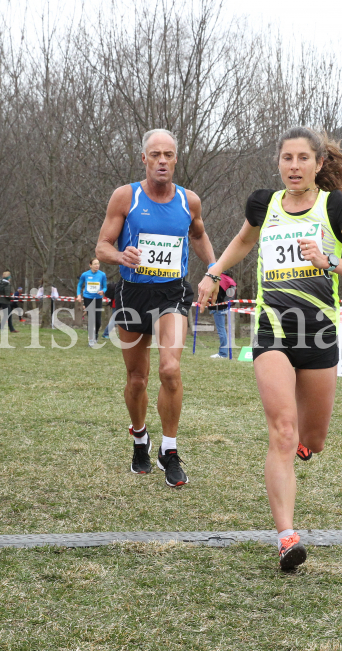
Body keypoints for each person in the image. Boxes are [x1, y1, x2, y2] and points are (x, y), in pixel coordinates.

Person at [197, 127, 342, 570]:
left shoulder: (334, 207)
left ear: (318, 164)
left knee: (312, 439)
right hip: (272, 328)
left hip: (319, 333)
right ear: (278, 163)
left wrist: (327, 261)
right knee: (282, 431)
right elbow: (244, 241)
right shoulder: (265, 204)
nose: (293, 166)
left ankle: (303, 448)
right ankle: (286, 537)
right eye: (286, 158)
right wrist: (213, 272)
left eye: (302, 159)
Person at [95, 128, 216, 488]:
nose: (162, 160)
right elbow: (102, 245)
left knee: (170, 370)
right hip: (132, 295)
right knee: (136, 379)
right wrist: (120, 255)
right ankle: (139, 439)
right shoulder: (125, 197)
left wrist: (214, 270)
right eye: (155, 155)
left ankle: (170, 450)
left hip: (171, 294)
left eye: (168, 154)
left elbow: (197, 235)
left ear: (176, 158)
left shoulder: (188, 201)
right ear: (144, 159)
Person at [76, 258, 108, 347]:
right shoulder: (85, 275)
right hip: (88, 298)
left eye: (98, 264)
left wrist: (103, 291)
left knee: (97, 320)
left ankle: (96, 334)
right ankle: (91, 339)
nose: (97, 265)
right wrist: (79, 295)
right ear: (90, 265)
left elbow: (105, 287)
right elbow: (79, 285)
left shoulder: (102, 275)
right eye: (95, 264)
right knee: (91, 318)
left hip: (98, 298)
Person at [209, 271, 236, 359]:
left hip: (218, 307)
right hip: (224, 307)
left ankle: (223, 353)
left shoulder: (218, 278)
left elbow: (218, 293)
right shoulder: (227, 279)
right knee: (222, 330)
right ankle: (224, 352)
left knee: (221, 330)